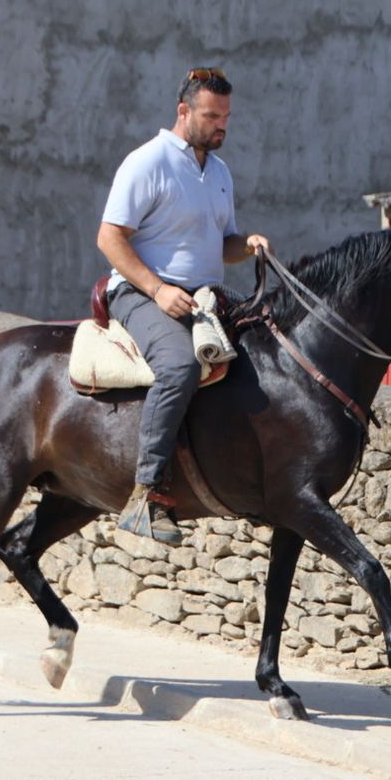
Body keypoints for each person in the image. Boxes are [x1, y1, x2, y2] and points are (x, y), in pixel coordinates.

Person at [96, 67, 269, 545]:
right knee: (179, 366)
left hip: (203, 296)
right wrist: (156, 290)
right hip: (142, 293)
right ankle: (146, 494)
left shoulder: (218, 172)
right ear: (183, 112)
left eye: (226, 117)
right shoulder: (147, 162)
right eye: (212, 116)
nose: (222, 126)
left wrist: (247, 244)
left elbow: (223, 244)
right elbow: (109, 238)